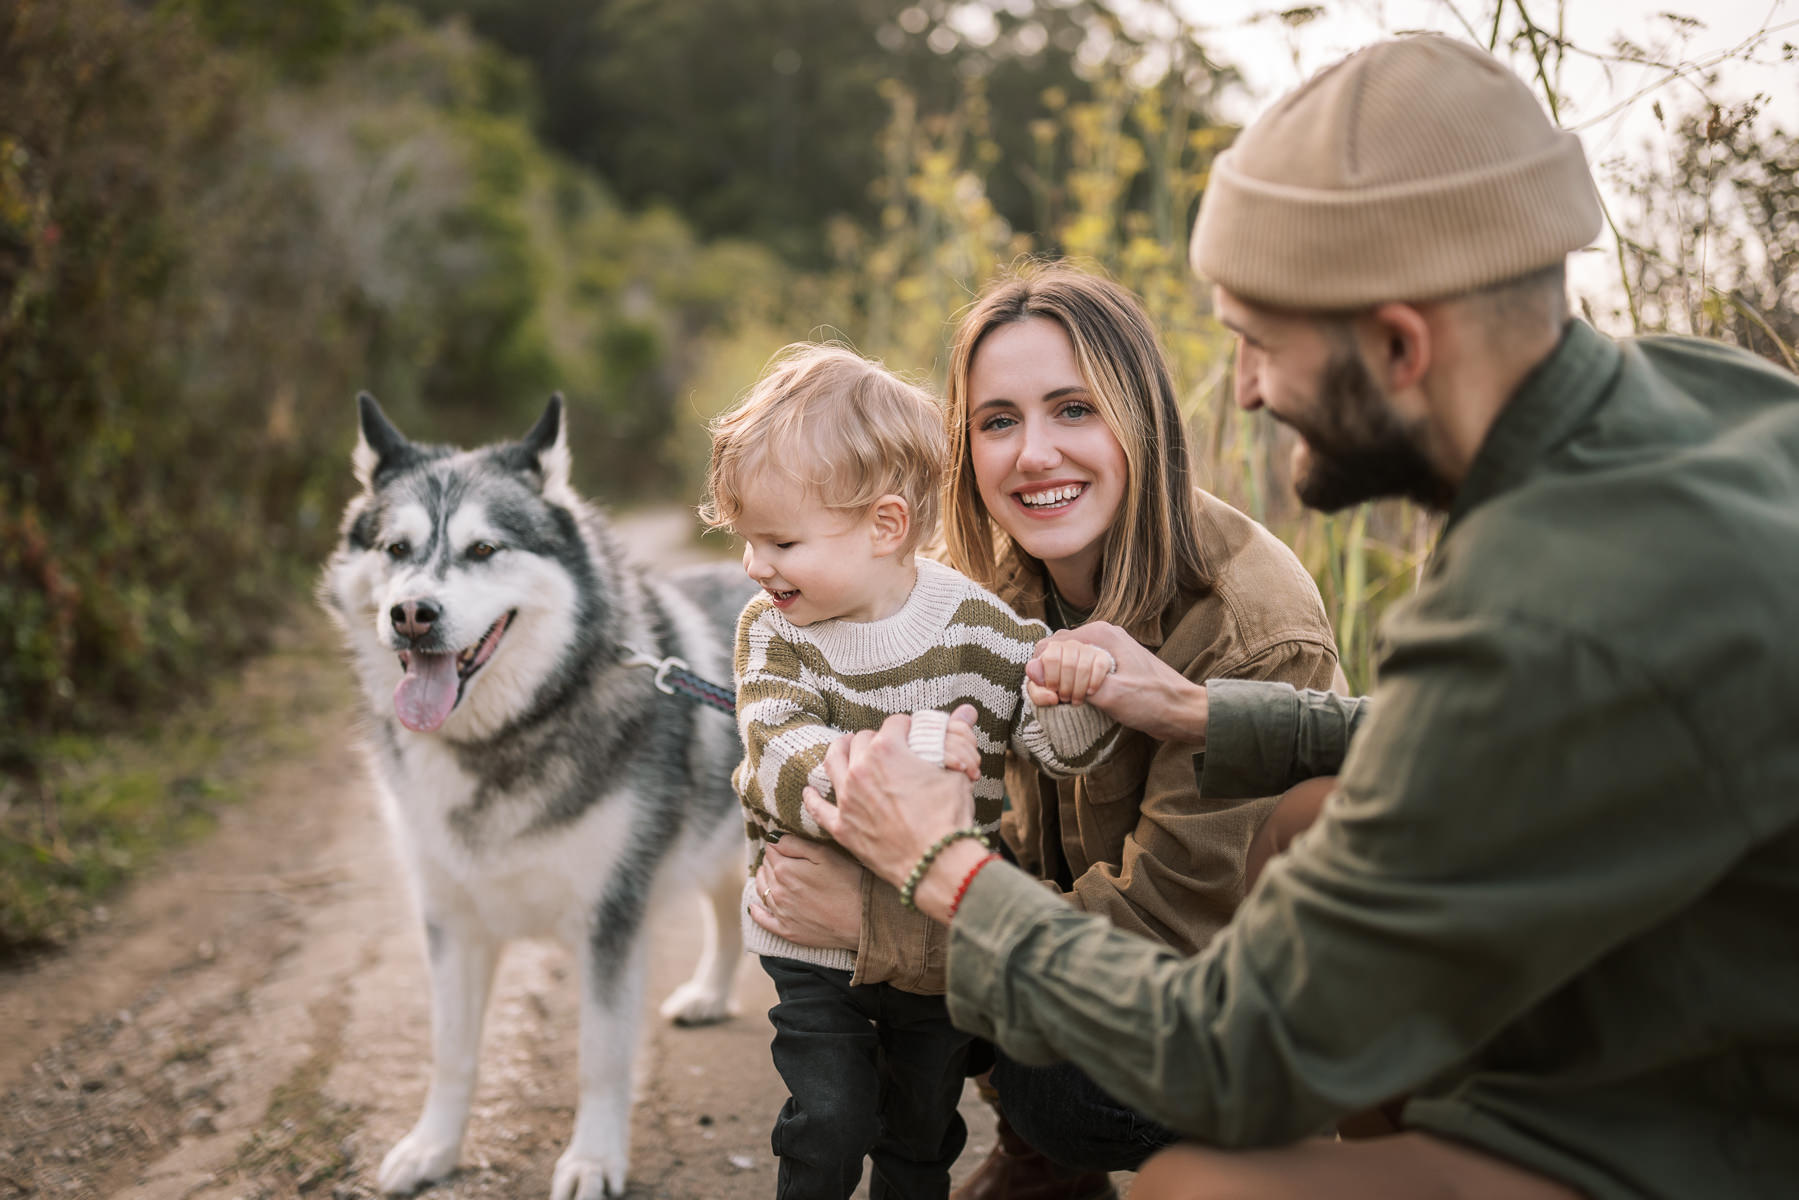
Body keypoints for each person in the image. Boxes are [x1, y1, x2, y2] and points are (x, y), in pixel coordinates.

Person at [803, 32, 1799, 1200]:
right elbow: (1496, 728)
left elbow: (1233, 1058)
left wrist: (937, 871)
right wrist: (1199, 711)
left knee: (1203, 1184)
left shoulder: (1545, 598)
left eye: (1262, 345)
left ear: (1395, 343)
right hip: (1688, 979)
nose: (1249, 390)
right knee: (1307, 821)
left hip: (1722, 1122)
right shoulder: (1705, 399)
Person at [748, 267, 1343, 1199]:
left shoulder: (1249, 630)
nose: (1033, 454)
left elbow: (1160, 946)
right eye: (996, 421)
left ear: (1140, 420)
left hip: (1221, 1013)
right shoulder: (982, 591)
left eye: (1073, 409)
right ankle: (1040, 1165)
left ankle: (1256, 1163)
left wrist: (880, 925)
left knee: (1059, 1084)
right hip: (1062, 935)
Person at [701, 342, 1123, 1200]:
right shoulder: (772, 630)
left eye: (778, 540)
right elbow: (781, 759)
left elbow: (1063, 749)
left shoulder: (974, 622)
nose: (755, 565)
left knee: (921, 1133)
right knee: (828, 1121)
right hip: (811, 939)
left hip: (932, 936)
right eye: (747, 541)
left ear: (885, 526)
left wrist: (1072, 692)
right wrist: (920, 749)